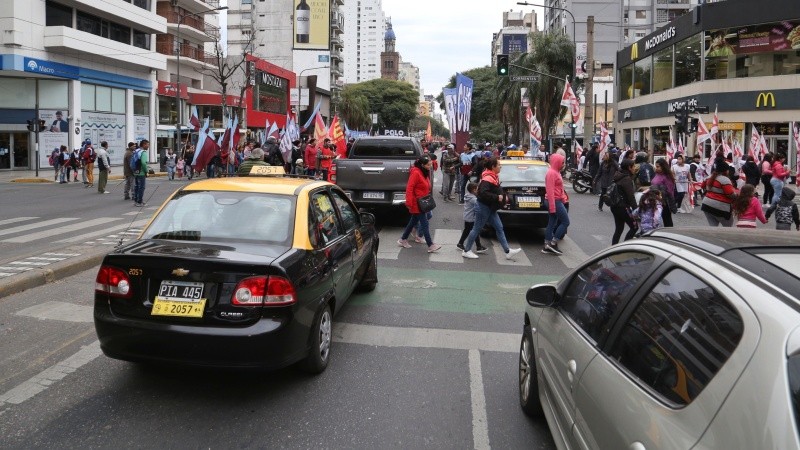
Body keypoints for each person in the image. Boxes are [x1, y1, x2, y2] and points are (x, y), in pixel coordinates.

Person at [461, 157, 521, 260]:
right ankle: (466, 250)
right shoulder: (487, 179)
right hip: (483, 208)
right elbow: (482, 193)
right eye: (498, 165)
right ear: (493, 167)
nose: (500, 166)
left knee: (499, 228)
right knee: (476, 229)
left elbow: (496, 189)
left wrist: (503, 196)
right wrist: (497, 197)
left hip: (490, 208)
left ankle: (507, 251)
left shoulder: (492, 176)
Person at [397, 155, 442, 253]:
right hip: (417, 203)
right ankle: (430, 245)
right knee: (424, 224)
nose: (430, 166)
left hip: (422, 202)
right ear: (422, 165)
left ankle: (403, 239)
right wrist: (409, 202)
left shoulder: (422, 171)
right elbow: (409, 188)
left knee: (413, 222)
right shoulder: (416, 172)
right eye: (428, 165)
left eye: (430, 164)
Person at [542, 152, 570, 255]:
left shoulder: (556, 172)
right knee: (566, 222)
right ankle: (553, 243)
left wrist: (563, 199)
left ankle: (547, 245)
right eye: (562, 162)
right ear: (557, 162)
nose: (563, 164)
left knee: (552, 222)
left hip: (556, 200)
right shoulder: (551, 173)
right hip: (553, 201)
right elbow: (550, 191)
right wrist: (553, 206)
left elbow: (560, 189)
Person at [701, 158, 736, 227]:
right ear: (725, 171)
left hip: (707, 205)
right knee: (727, 227)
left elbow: (702, 186)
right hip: (720, 207)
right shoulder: (725, 180)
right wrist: (737, 195)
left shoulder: (709, 177)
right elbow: (730, 194)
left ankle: (712, 237)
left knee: (713, 227)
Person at [610, 158, 639, 244]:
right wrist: (636, 210)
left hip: (615, 206)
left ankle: (613, 248)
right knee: (635, 227)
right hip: (623, 207)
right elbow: (631, 196)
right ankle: (624, 247)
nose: (635, 168)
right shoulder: (626, 179)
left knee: (619, 229)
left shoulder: (618, 174)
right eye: (633, 166)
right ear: (629, 168)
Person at [456, 182, 487, 253]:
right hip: (470, 218)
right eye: (477, 189)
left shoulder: (468, 196)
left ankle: (461, 243)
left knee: (468, 231)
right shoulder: (473, 199)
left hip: (468, 217)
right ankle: (478, 246)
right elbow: (479, 205)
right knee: (474, 231)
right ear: (473, 190)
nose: (478, 190)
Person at [651, 158, 676, 227]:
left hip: (664, 202)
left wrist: (660, 195)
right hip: (655, 200)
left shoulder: (667, 177)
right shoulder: (657, 174)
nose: (657, 168)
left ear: (663, 166)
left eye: (658, 166)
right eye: (656, 166)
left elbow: (669, 190)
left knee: (667, 220)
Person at [133, 140, 149, 207]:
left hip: (136, 171)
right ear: (144, 144)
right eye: (147, 145)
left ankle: (136, 200)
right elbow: (143, 163)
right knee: (141, 187)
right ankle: (139, 201)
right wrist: (146, 171)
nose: (148, 146)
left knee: (136, 186)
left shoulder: (136, 151)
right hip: (141, 172)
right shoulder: (143, 152)